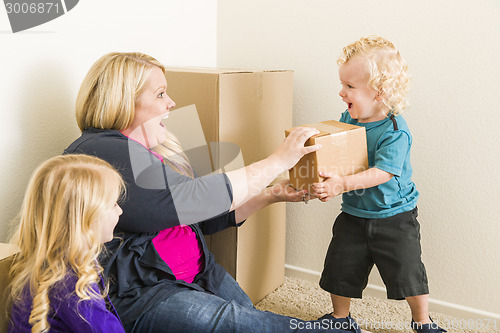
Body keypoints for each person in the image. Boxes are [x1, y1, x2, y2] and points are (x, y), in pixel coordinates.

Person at [64, 52, 367, 333]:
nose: (171, 103)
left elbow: (205, 218)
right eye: (160, 94)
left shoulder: (156, 149)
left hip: (200, 272)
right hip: (147, 291)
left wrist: (271, 194)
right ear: (123, 101)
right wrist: (277, 161)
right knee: (248, 324)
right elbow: (189, 199)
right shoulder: (99, 150)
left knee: (249, 317)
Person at [311, 36, 446, 333]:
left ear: (380, 92)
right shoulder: (349, 118)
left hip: (394, 216)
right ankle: (340, 317)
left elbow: (383, 172)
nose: (340, 92)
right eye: (342, 84)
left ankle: (422, 321)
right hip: (355, 212)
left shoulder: (395, 130)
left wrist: (341, 183)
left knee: (409, 271)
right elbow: (341, 149)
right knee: (340, 267)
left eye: (349, 86)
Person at [8, 154, 126, 332]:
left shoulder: (57, 266)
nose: (120, 211)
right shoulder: (70, 285)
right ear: (86, 219)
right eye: (113, 204)